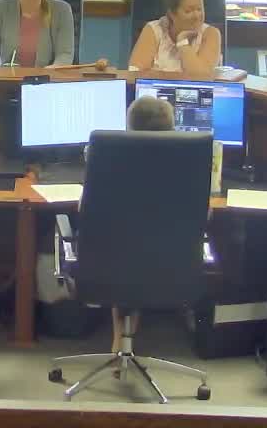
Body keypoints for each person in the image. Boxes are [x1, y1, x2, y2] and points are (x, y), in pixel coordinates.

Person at [100, 96, 178, 355]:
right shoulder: (190, 165)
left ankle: (118, 342)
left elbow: (85, 210)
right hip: (172, 264)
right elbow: (206, 215)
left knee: (123, 254)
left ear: (130, 128)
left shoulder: (110, 163)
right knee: (141, 255)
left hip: (113, 263)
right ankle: (126, 340)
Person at [128, 0, 222, 76]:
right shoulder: (154, 29)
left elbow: (201, 77)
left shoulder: (211, 34)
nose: (197, 16)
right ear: (172, 14)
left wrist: (183, 43)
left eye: (199, 9)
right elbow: (135, 73)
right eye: (189, 11)